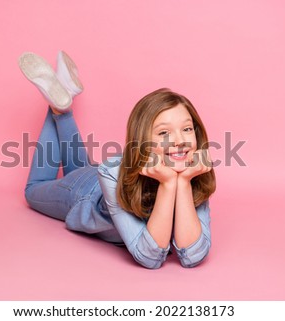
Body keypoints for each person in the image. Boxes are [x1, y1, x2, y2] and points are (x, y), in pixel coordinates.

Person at [18, 51, 216, 269]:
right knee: (33, 189)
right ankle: (56, 106)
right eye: (163, 133)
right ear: (143, 140)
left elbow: (193, 255)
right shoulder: (111, 174)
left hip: (97, 172)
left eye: (187, 129)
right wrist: (169, 184)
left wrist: (183, 182)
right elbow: (150, 257)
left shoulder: (193, 169)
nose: (179, 141)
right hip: (85, 192)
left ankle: (62, 101)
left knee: (79, 167)